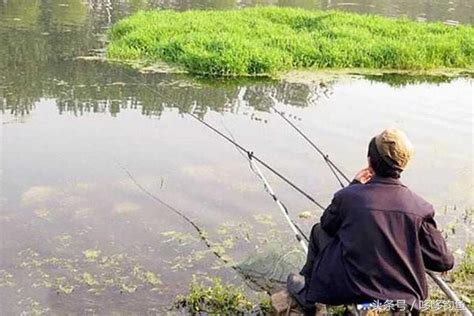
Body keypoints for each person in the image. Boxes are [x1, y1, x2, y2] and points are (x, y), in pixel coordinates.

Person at [287, 128, 454, 315]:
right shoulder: (420, 207)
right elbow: (443, 261)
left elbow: (327, 225)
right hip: (403, 300)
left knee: (318, 231)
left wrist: (355, 185)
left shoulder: (348, 197)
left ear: (369, 161)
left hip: (352, 290)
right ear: (403, 165)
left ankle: (309, 296)